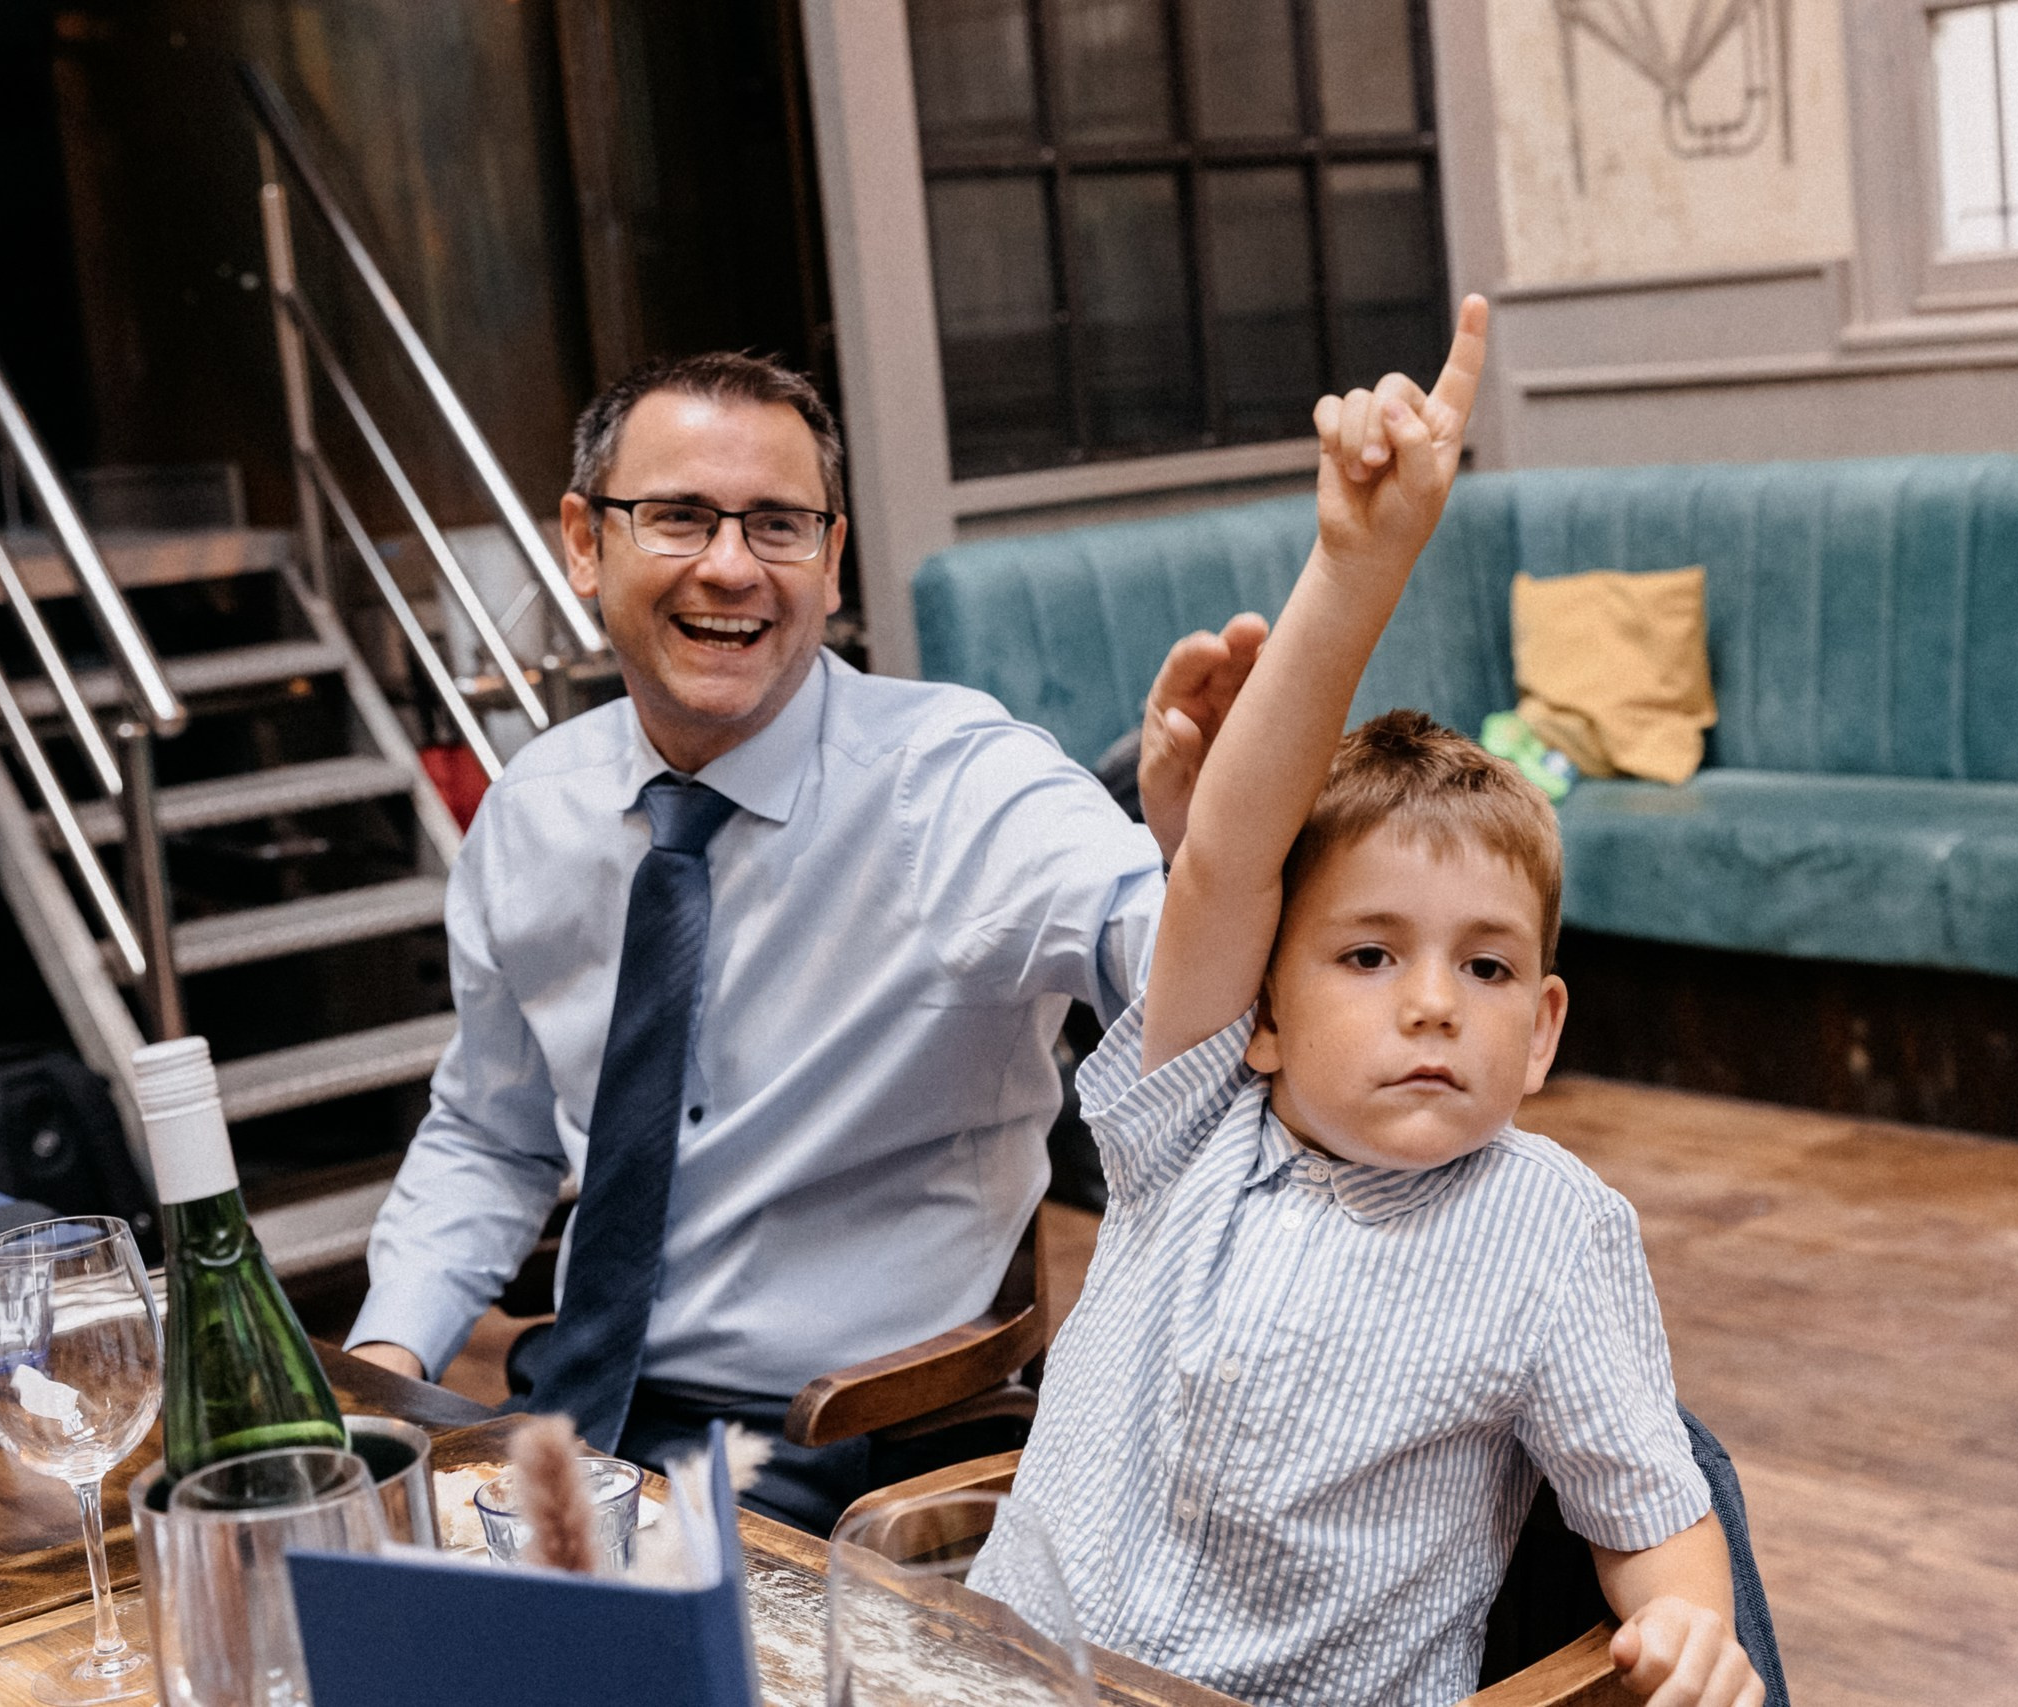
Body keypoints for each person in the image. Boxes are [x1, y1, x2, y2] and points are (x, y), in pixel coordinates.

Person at [968, 296, 1766, 1707]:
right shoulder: (1193, 1119)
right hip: (1004, 1680)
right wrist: (1360, 558)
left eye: (1486, 965)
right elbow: (1223, 858)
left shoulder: (1555, 1228)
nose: (1433, 1004)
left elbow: (1654, 1504)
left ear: (1546, 1030)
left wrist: (1696, 1625)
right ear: (1261, 1014)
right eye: (1367, 954)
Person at [342, 350, 1266, 1533]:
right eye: (676, 516)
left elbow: (1177, 965)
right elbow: (489, 1129)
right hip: (570, 1413)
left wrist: (1215, 853)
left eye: (778, 524)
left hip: (839, 1440)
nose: (730, 566)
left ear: (830, 560)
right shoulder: (534, 812)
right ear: (585, 542)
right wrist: (382, 1366)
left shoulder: (959, 788)